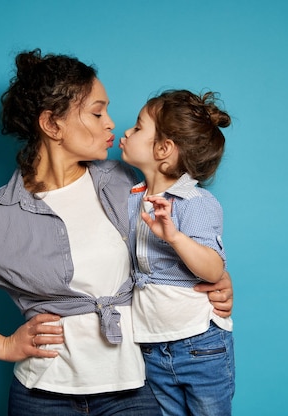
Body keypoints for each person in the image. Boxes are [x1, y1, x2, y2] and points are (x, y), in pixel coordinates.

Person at [0, 49, 234, 416]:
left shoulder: (125, 182)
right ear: (52, 125)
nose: (111, 123)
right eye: (97, 112)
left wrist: (214, 280)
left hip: (133, 387)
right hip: (40, 396)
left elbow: (172, 243)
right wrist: (3, 346)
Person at [119, 89, 235, 415]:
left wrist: (174, 236)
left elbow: (213, 270)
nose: (127, 132)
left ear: (164, 149)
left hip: (199, 344)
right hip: (152, 346)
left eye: (138, 127)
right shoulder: (131, 198)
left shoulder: (195, 202)